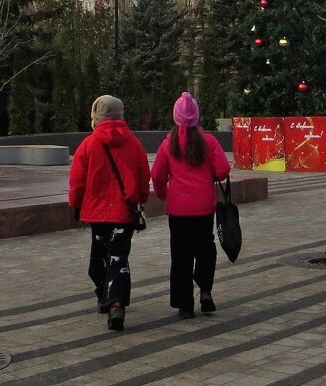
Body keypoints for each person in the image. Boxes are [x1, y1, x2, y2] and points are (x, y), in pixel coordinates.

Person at [67, 95, 151, 332]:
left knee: (98, 260)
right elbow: (144, 175)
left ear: (96, 117)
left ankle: (107, 297)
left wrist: (75, 205)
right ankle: (115, 301)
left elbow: (77, 181)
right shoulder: (133, 144)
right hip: (124, 214)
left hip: (97, 216)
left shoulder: (88, 144)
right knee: (118, 258)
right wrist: (141, 198)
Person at [151, 91, 231, 319]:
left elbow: (157, 175)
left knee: (180, 255)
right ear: (197, 117)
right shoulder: (209, 142)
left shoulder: (168, 145)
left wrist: (162, 192)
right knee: (206, 249)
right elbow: (223, 171)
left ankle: (184, 304)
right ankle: (205, 291)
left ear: (175, 117)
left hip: (178, 210)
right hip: (204, 208)